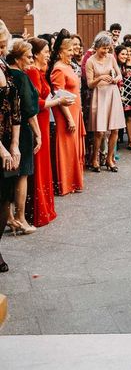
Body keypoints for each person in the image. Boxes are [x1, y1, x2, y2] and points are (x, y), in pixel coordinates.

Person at [26, 38, 74, 227]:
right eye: (45, 52)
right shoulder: (32, 72)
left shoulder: (41, 71)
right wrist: (58, 102)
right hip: (38, 119)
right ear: (36, 54)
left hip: (45, 119)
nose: (48, 54)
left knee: (44, 163)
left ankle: (45, 208)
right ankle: (37, 211)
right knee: (39, 163)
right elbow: (34, 103)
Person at [5, 41, 41, 234]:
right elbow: (29, 110)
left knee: (7, 176)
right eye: (28, 56)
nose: (31, 60)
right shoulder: (22, 77)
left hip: (5, 130)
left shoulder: (4, 73)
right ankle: (21, 218)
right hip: (22, 131)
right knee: (22, 174)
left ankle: (9, 218)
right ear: (18, 58)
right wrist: (38, 133)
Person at [85, 33, 126, 172]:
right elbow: (90, 84)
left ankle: (110, 159)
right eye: (103, 48)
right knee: (100, 131)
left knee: (115, 129)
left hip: (112, 93)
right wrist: (101, 77)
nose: (106, 51)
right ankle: (95, 159)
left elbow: (119, 74)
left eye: (108, 48)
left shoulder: (111, 57)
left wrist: (116, 79)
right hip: (99, 95)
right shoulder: (90, 61)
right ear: (96, 47)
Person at [51, 38, 86, 195]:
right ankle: (65, 184)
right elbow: (59, 96)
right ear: (60, 52)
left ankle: (73, 181)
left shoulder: (68, 66)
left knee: (73, 147)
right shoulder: (58, 69)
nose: (73, 53)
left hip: (74, 111)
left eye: (73, 50)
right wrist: (69, 118)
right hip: (66, 113)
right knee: (66, 146)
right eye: (69, 50)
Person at [0, 20, 22, 272]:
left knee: (4, 198)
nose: (2, 49)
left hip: (8, 138)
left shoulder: (4, 66)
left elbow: (15, 109)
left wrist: (14, 144)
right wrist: (3, 149)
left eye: (4, 45)